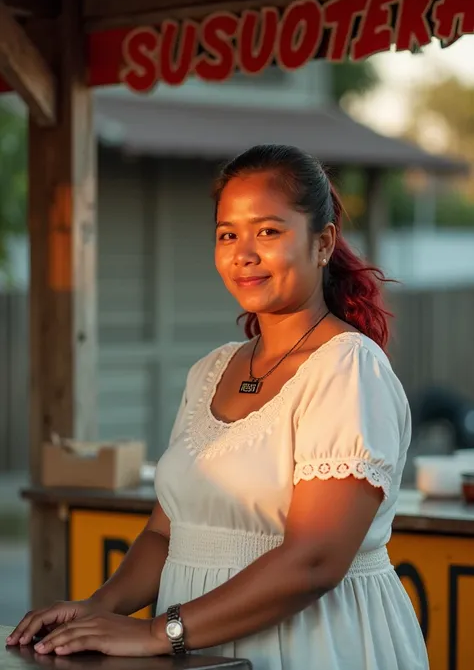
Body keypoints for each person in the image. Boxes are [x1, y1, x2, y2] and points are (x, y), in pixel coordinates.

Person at [7, 145, 429, 670]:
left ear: (323, 243)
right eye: (227, 234)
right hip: (196, 650)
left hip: (311, 646)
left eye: (268, 232)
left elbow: (315, 560)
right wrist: (97, 608)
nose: (243, 253)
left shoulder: (347, 369)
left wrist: (160, 632)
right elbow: (167, 531)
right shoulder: (210, 371)